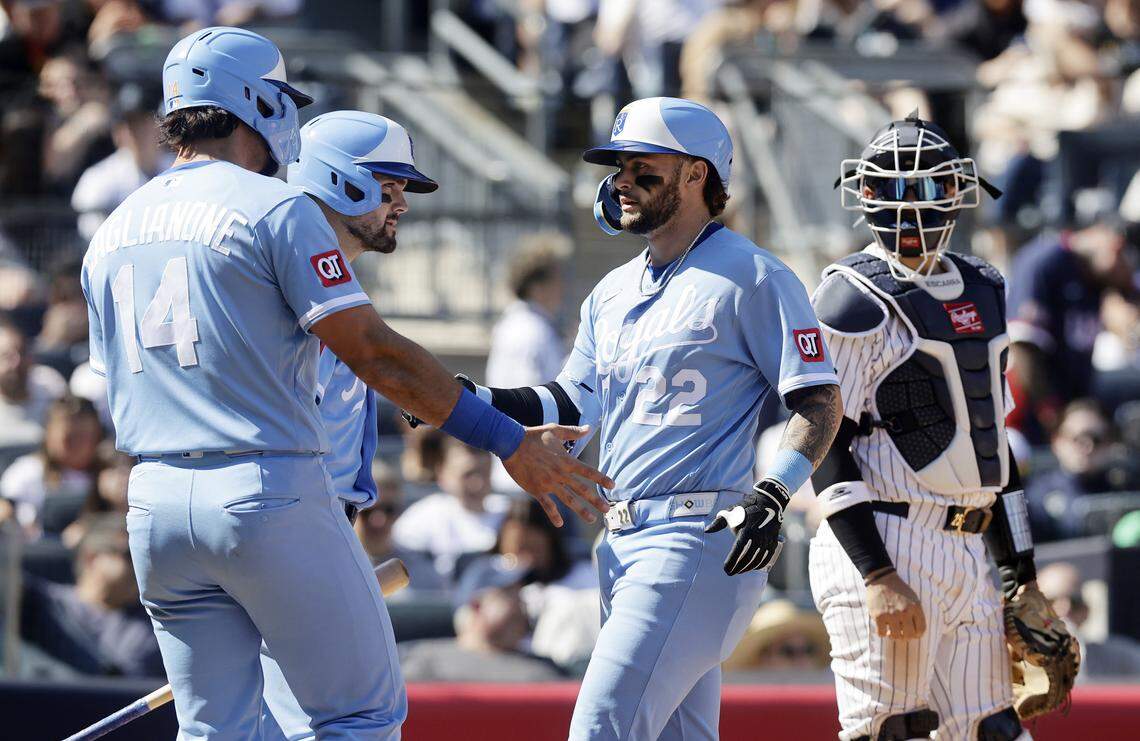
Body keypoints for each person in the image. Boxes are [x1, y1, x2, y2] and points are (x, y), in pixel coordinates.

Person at [80, 26, 612, 739]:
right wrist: (506, 439)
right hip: (266, 494)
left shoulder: (112, 227)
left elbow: (113, 383)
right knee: (359, 716)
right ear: (256, 102)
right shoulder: (273, 207)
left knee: (217, 732)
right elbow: (375, 355)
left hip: (154, 505)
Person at [448, 97, 842, 739]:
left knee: (603, 727)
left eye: (642, 166)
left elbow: (819, 400)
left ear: (696, 174)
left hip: (698, 534)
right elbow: (571, 403)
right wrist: (469, 400)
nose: (622, 181)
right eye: (618, 167)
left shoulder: (755, 275)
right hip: (622, 539)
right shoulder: (612, 288)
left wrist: (773, 494)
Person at [809, 114, 1057, 740]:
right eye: (894, 191)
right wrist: (874, 573)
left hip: (968, 544)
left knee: (994, 731)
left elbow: (991, 444)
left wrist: (1021, 575)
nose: (911, 210)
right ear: (864, 196)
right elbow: (821, 433)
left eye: (925, 190)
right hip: (889, 533)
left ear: (956, 192)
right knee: (890, 731)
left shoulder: (984, 284)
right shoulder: (850, 295)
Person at [258, 109, 444, 741]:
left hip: (298, 528)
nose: (402, 206)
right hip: (299, 528)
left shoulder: (324, 274)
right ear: (343, 181)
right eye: (390, 188)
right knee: (363, 721)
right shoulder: (293, 271)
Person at [1006, 211, 1135, 442]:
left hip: (1073, 409)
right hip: (1029, 417)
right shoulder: (1045, 261)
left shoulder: (1099, 278)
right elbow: (1023, 347)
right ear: (1116, 246)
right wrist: (1050, 410)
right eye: (1128, 267)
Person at [19, 514, 165, 678]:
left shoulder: (157, 628)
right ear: (91, 558)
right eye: (129, 555)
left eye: (147, 558)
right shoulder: (42, 603)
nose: (142, 566)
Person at [397, 555, 568, 682]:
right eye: (509, 593)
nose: (521, 603)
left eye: (520, 594)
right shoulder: (424, 662)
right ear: (476, 605)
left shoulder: (545, 670)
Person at [392, 437, 507, 581]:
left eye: (484, 473)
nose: (477, 483)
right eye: (468, 475)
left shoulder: (508, 515)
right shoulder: (421, 518)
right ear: (442, 473)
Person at [0, 395, 102, 540]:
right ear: (49, 433)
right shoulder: (27, 471)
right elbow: (4, 507)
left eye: (84, 437)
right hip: (36, 556)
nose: (78, 445)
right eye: (69, 438)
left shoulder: (109, 475)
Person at [353, 460, 446, 595]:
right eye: (367, 511)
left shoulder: (420, 572)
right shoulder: (336, 566)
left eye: (388, 510)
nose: (379, 520)